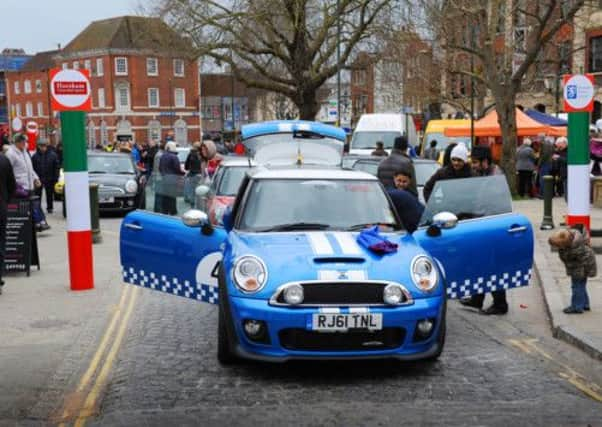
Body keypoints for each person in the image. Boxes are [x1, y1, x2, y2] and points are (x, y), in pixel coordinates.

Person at [460, 145, 509, 315]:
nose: (472, 165)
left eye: (475, 162)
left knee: (491, 266)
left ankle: (500, 303)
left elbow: (490, 205)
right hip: (482, 225)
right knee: (479, 264)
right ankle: (477, 299)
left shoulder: (495, 177)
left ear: (485, 162)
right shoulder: (484, 174)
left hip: (491, 227)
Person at [6, 133, 50, 231]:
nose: (24, 143)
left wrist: (36, 178)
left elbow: (30, 169)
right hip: (20, 186)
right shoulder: (11, 154)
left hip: (29, 185)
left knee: (34, 204)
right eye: (22, 141)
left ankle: (37, 223)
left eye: (24, 141)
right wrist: (13, 183)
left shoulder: (25, 152)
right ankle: (31, 225)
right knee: (25, 207)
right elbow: (8, 170)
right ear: (16, 142)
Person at [549, 227, 597, 314]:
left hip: (580, 268)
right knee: (581, 285)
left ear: (564, 245)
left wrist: (563, 254)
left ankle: (576, 306)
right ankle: (585, 304)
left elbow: (568, 259)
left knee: (576, 286)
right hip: (585, 265)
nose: (557, 248)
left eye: (558, 246)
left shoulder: (573, 249)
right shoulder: (575, 241)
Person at [0, 151, 16, 295]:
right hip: (1, 209)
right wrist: (6, 202)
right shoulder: (4, 160)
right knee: (0, 243)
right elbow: (12, 186)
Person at [31, 139, 60, 214]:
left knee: (49, 194)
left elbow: (56, 167)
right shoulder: (35, 156)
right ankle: (38, 208)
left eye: (44, 146)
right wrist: (34, 179)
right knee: (38, 194)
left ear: (47, 146)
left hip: (49, 178)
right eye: (41, 146)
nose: (43, 148)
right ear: (38, 146)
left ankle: (50, 208)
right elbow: (32, 168)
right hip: (39, 178)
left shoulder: (53, 155)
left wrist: (56, 177)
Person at [158, 141, 185, 215]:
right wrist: (183, 173)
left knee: (165, 196)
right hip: (172, 178)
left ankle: (165, 211)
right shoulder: (174, 156)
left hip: (164, 178)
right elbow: (177, 169)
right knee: (172, 196)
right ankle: (173, 211)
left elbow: (160, 168)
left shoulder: (163, 156)